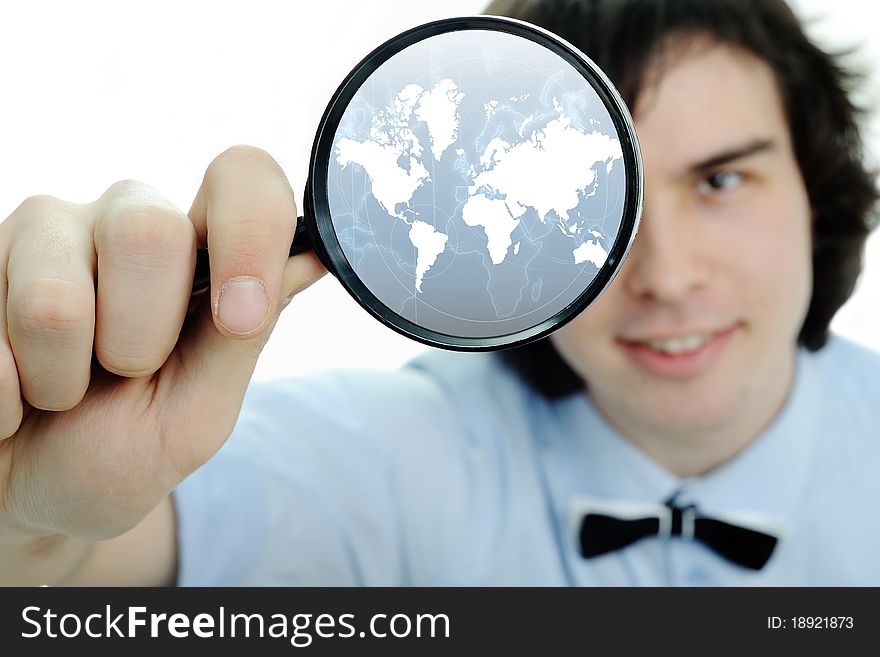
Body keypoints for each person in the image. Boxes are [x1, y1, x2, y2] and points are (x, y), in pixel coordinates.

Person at [0, 0, 877, 586]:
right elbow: (83, 566)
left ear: (816, 190)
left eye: (722, 181)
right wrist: (31, 522)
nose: (667, 276)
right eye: (570, 204)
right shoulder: (391, 453)